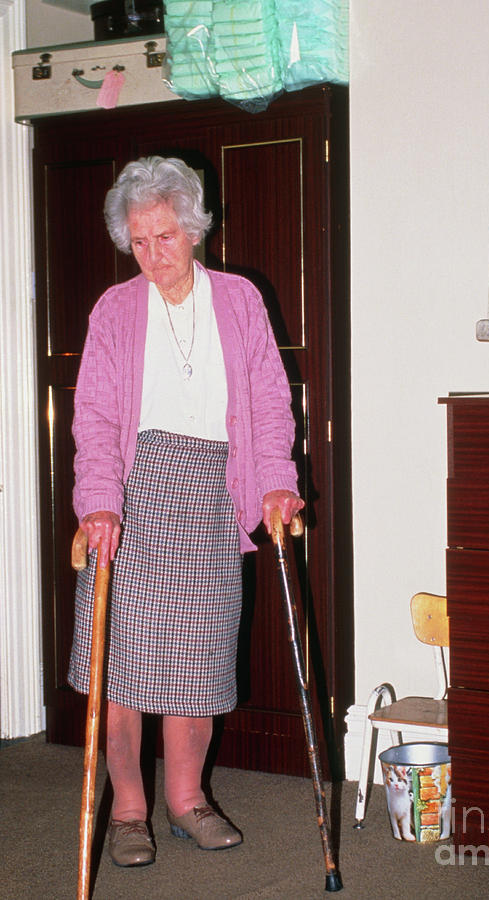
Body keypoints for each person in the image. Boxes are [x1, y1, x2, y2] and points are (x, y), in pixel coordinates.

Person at [68, 156, 304, 868]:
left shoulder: (237, 299)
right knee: (122, 674)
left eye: (163, 236)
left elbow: (267, 404)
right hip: (135, 495)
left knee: (194, 669)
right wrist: (100, 504)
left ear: (193, 228)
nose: (151, 254)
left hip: (208, 496)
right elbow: (96, 420)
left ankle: (186, 800)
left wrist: (274, 484)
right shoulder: (114, 310)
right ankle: (129, 812)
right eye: (137, 241)